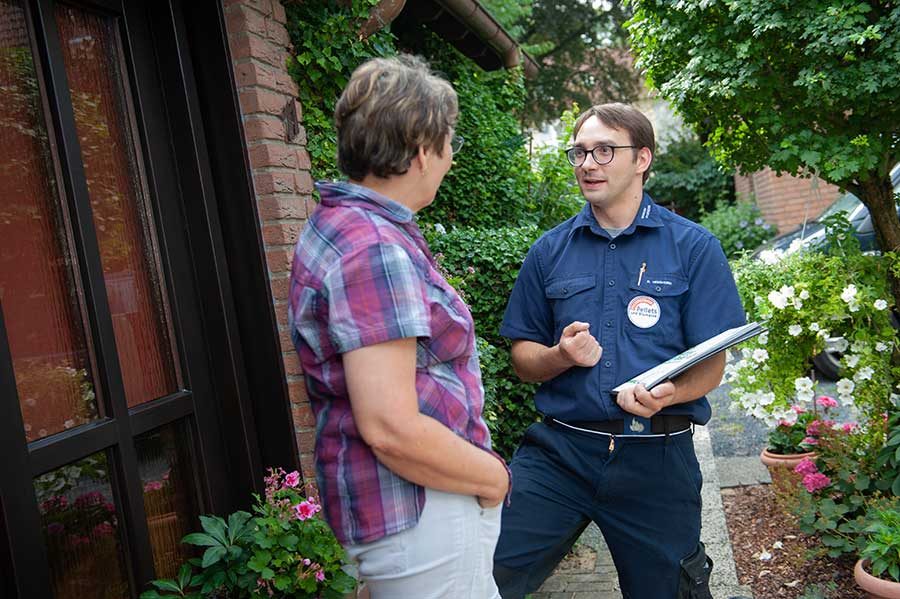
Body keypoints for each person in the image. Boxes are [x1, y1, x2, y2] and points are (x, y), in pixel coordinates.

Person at [492, 103, 745, 598]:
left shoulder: (693, 248)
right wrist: (559, 357)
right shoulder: (549, 251)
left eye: (605, 150)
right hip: (559, 454)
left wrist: (667, 396)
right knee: (482, 573)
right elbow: (523, 359)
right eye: (580, 152)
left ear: (642, 158)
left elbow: (713, 362)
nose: (588, 163)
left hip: (656, 456)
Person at [288, 55, 509, 599]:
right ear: (419, 150)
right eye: (448, 141)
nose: (451, 158)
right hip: (423, 510)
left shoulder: (346, 226)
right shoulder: (375, 248)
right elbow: (389, 426)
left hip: (411, 514)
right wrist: (494, 478)